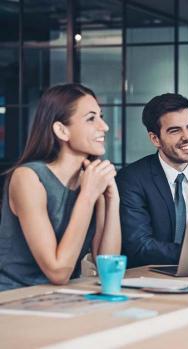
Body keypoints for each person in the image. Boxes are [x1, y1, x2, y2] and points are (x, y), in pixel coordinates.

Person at [0, 84, 121, 291]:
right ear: (61, 130)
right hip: (15, 298)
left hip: (61, 298)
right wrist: (88, 195)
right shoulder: (28, 178)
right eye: (91, 119)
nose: (105, 126)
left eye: (101, 116)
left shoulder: (90, 179)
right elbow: (58, 272)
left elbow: (107, 270)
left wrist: (112, 200)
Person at [117, 93, 188, 268]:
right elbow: (139, 245)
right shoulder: (132, 179)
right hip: (149, 274)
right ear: (155, 139)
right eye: (175, 130)